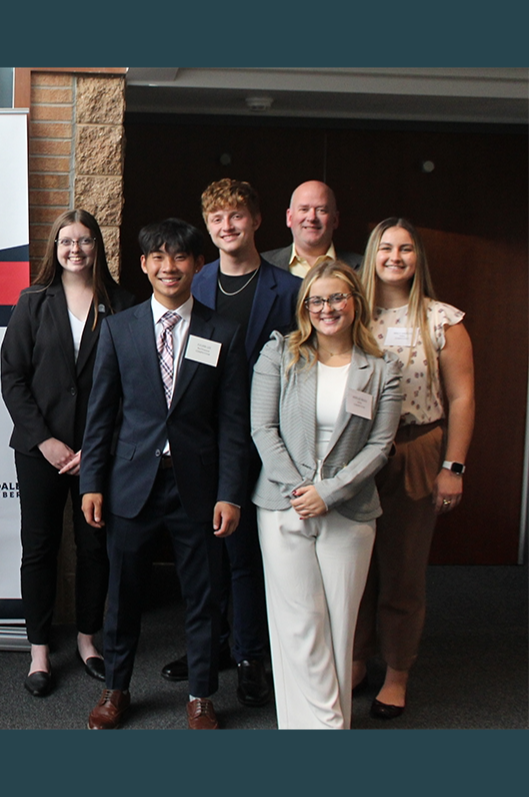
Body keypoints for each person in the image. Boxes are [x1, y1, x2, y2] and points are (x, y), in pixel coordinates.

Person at [81, 219, 250, 730]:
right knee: (123, 594)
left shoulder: (223, 332)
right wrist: (92, 482)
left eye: (179, 257)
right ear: (144, 264)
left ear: (198, 265)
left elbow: (232, 423)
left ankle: (201, 695)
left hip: (197, 486)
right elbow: (101, 415)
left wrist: (231, 493)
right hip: (131, 485)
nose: (168, 266)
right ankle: (117, 689)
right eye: (157, 256)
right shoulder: (119, 327)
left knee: (202, 595)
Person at [165, 179, 302, 707]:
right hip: (202, 439)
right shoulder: (197, 282)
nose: (228, 227)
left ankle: (250, 657)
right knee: (205, 554)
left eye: (237, 216)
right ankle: (211, 647)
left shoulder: (287, 290)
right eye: (218, 219)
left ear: (257, 220)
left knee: (246, 555)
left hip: (261, 439)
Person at [250, 261, 402, 729]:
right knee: (299, 624)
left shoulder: (382, 370)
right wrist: (302, 490)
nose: (327, 308)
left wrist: (328, 493)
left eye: (337, 298)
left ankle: (329, 727)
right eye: (317, 300)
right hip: (283, 504)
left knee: (338, 625)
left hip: (350, 511)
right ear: (305, 307)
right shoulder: (280, 354)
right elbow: (262, 428)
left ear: (355, 301)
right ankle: (323, 730)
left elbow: (380, 447)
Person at [0, 209, 134, 697]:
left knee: (94, 548)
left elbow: (130, 387)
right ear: (54, 249)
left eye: (84, 241)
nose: (74, 249)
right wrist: (46, 441)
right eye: (65, 241)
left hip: (99, 454)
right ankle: (38, 650)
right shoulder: (33, 300)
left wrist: (94, 447)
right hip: (40, 452)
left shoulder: (121, 304)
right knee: (39, 548)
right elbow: (12, 377)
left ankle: (87, 639)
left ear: (99, 246)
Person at [352, 219, 475, 720]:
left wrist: (454, 467)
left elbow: (463, 397)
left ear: (418, 257)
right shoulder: (351, 310)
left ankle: (398, 672)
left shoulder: (443, 319)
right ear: (371, 254)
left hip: (415, 447)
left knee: (402, 567)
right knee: (353, 565)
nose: (395, 257)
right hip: (355, 454)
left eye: (405, 249)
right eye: (386, 248)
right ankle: (356, 658)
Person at [262, 180, 362, 278]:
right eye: (304, 209)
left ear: (335, 220)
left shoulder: (364, 267)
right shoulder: (262, 265)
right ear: (289, 218)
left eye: (321, 210)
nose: (312, 218)